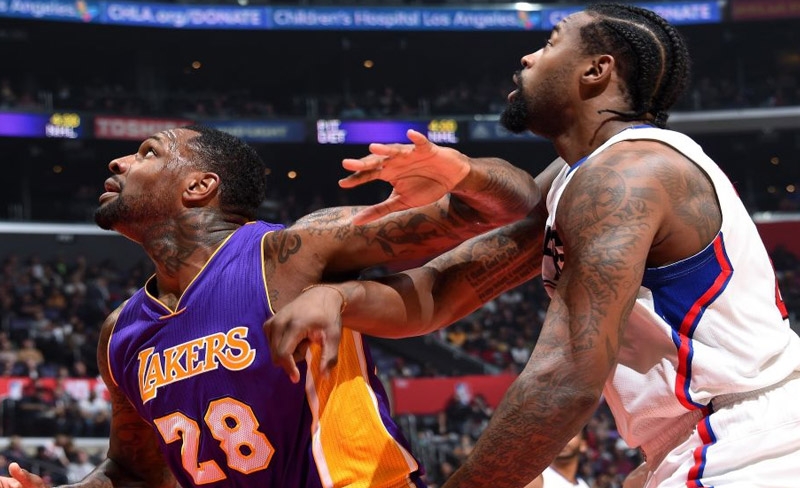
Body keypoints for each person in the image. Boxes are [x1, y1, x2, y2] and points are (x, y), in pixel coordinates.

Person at [265, 3, 800, 487]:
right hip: (714, 436)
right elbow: (443, 291)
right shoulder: (580, 176)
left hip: (749, 445)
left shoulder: (629, 174)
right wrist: (340, 297)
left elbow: (565, 378)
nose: (527, 57)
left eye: (550, 43)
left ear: (596, 70)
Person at [0, 124, 541, 488]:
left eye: (148, 153)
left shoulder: (289, 255)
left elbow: (511, 205)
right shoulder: (120, 333)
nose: (118, 161)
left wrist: (459, 172)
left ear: (200, 186)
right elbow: (134, 472)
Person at [523, 431, 590, 488]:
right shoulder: (535, 478)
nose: (564, 439)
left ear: (583, 445)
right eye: (559, 435)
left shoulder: (584, 486)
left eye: (571, 434)